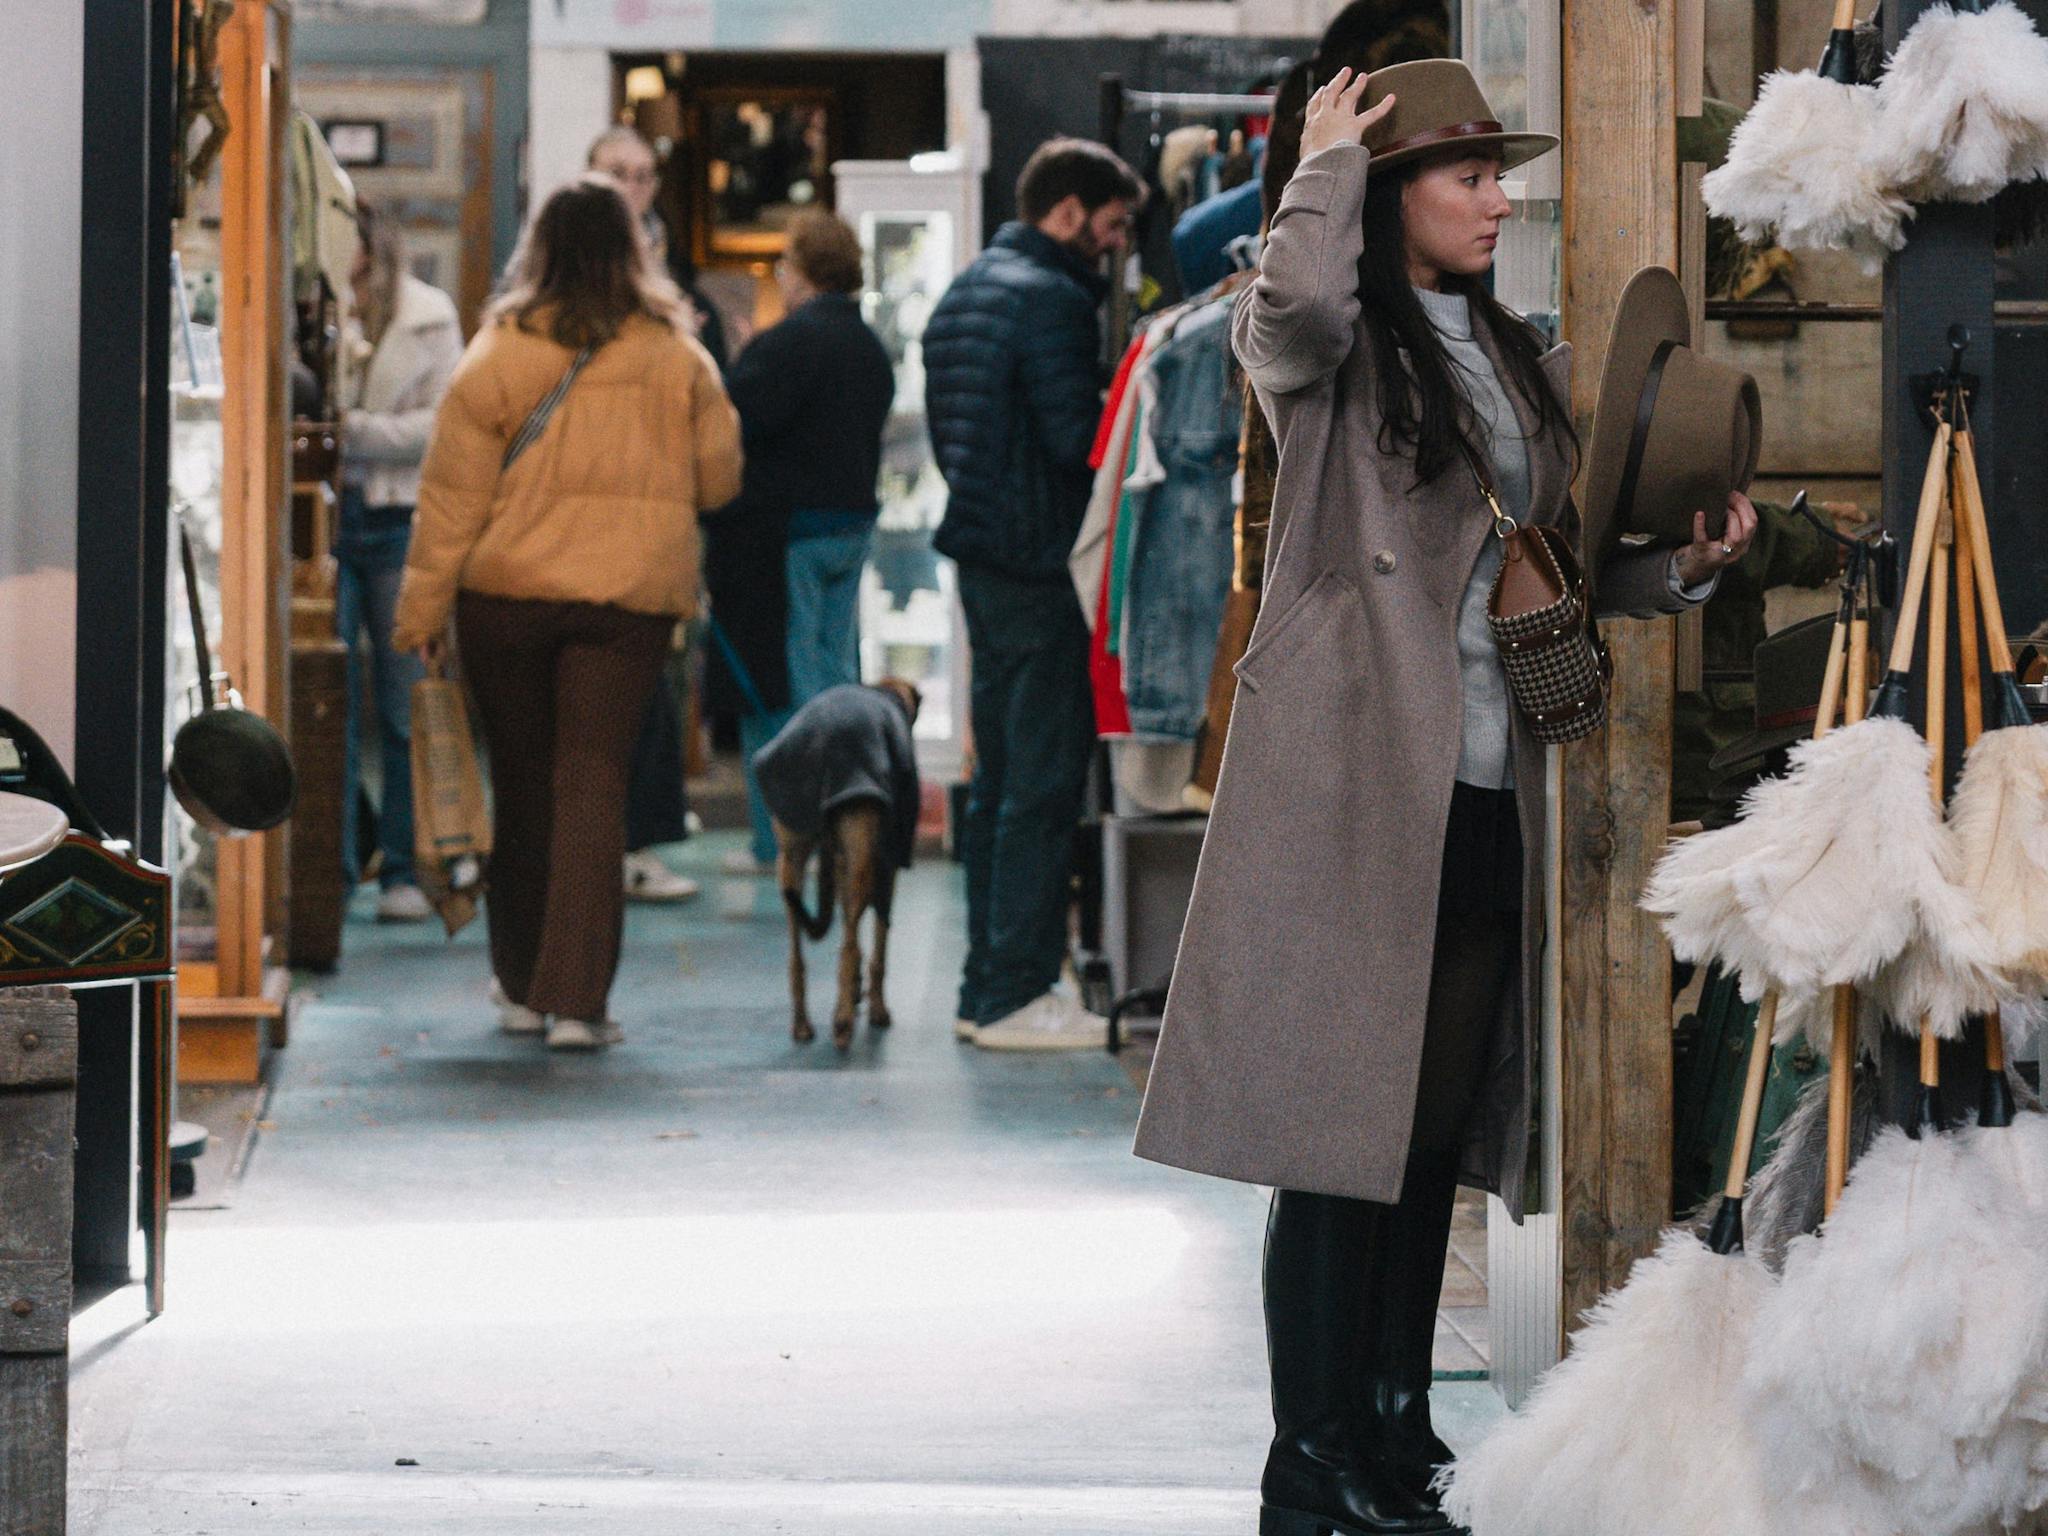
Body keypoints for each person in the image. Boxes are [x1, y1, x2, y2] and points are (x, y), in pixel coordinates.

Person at [1131, 62, 1758, 1536]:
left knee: (1422, 1138)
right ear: (1389, 193)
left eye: (1499, 174)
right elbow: (1282, 317)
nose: (1497, 198)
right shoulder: (1339, 352)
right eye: (1464, 175)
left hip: (1487, 785)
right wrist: (1319, 164)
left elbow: (1561, 558)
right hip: (1360, 780)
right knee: (1337, 1135)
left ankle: (1400, 1425)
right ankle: (1313, 1451)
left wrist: (1691, 569)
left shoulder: (1514, 353)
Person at [390, 175, 741, 1050]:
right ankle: (578, 1003)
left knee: (521, 783)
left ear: (537, 247)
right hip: (625, 604)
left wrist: (421, 612)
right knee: (593, 786)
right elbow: (720, 480)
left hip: (504, 599)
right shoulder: (676, 354)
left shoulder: (499, 348)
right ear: (633, 248)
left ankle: (518, 989)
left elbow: (450, 501)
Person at [921, 137, 1144, 1052]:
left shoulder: (967, 288)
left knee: (1001, 777)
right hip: (1041, 563)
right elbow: (1076, 445)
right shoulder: (1051, 300)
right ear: (1068, 211)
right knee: (1041, 783)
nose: (1117, 243)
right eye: (1112, 224)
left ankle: (987, 984)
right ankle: (1015, 991)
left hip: (983, 560)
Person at [711, 209, 896, 877]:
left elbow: (736, 417)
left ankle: (786, 841)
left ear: (804, 271)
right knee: (836, 681)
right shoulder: (868, 345)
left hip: (789, 535)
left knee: (787, 692)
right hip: (852, 529)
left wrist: (742, 357)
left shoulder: (790, 343)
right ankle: (848, 827)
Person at [588, 124, 722, 904]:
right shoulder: (551, 292)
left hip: (653, 521)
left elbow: (715, 439)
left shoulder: (677, 293)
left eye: (643, 175)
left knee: (649, 689)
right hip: (577, 532)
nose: (632, 189)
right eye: (617, 174)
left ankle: (638, 839)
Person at [336, 198, 463, 923]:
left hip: (396, 518)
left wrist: (351, 431)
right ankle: (341, 862)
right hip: (326, 516)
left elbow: (438, 427)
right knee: (329, 695)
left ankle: (405, 869)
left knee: (403, 700)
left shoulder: (429, 315)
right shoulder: (314, 304)